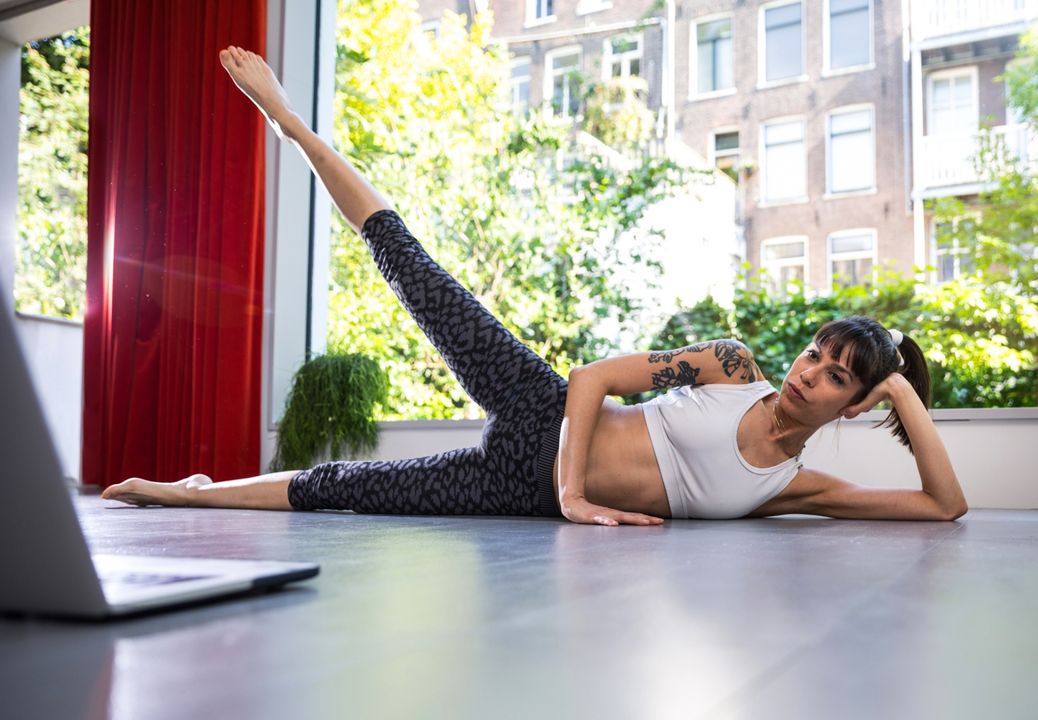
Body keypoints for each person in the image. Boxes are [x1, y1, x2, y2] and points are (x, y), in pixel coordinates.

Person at [102, 46, 967, 525]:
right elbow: (593, 379)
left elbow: (945, 506)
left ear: (854, 404)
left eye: (837, 376)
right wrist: (574, 493)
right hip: (541, 413)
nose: (810, 370)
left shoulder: (796, 488)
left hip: (513, 493)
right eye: (818, 352)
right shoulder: (730, 366)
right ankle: (291, 121)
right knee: (412, 266)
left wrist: (899, 388)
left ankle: (198, 493)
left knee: (342, 491)